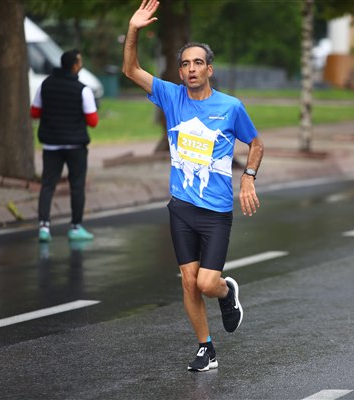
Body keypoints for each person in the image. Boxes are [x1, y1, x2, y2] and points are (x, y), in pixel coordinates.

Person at [123, 0, 264, 372]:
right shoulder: (171, 96)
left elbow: (256, 143)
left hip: (216, 212)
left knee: (206, 283)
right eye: (185, 64)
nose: (190, 69)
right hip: (182, 208)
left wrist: (248, 178)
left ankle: (226, 291)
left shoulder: (230, 107)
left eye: (197, 63)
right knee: (188, 282)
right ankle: (206, 348)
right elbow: (131, 69)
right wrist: (133, 29)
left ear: (209, 69)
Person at [30, 49, 99, 242]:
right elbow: (93, 121)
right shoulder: (83, 90)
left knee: (47, 185)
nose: (81, 65)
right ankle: (76, 227)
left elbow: (34, 112)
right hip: (75, 146)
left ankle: (44, 227)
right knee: (77, 186)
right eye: (80, 62)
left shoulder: (45, 85)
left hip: (51, 145)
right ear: (75, 66)